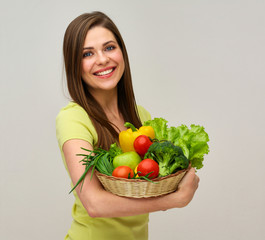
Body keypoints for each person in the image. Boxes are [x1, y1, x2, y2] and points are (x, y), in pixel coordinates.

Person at [56, 11, 199, 240]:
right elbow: (94, 204)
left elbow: (149, 184)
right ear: (75, 65)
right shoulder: (74, 118)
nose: (102, 59)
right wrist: (173, 200)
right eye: (87, 53)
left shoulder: (140, 116)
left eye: (109, 47)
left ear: (122, 52)